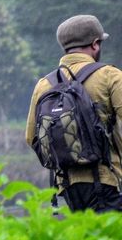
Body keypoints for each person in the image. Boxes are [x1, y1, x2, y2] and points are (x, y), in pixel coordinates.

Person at [25, 14, 122, 212]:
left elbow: (31, 138)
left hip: (68, 188)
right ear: (95, 44)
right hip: (109, 182)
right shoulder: (109, 76)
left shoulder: (44, 85)